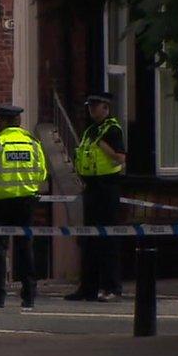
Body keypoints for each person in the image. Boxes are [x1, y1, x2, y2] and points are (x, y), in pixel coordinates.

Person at [0, 104, 48, 309]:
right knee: (25, 248)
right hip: (26, 203)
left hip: (0, 204)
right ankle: (29, 297)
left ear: (4, 121)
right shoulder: (33, 143)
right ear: (19, 122)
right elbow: (41, 175)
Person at [64, 92, 127, 302]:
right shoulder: (90, 130)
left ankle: (112, 288)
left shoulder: (112, 129)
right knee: (89, 238)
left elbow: (120, 158)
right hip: (91, 187)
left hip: (107, 187)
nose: (91, 110)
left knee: (108, 239)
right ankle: (87, 288)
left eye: (95, 106)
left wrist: (102, 145)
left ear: (106, 108)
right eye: (89, 106)